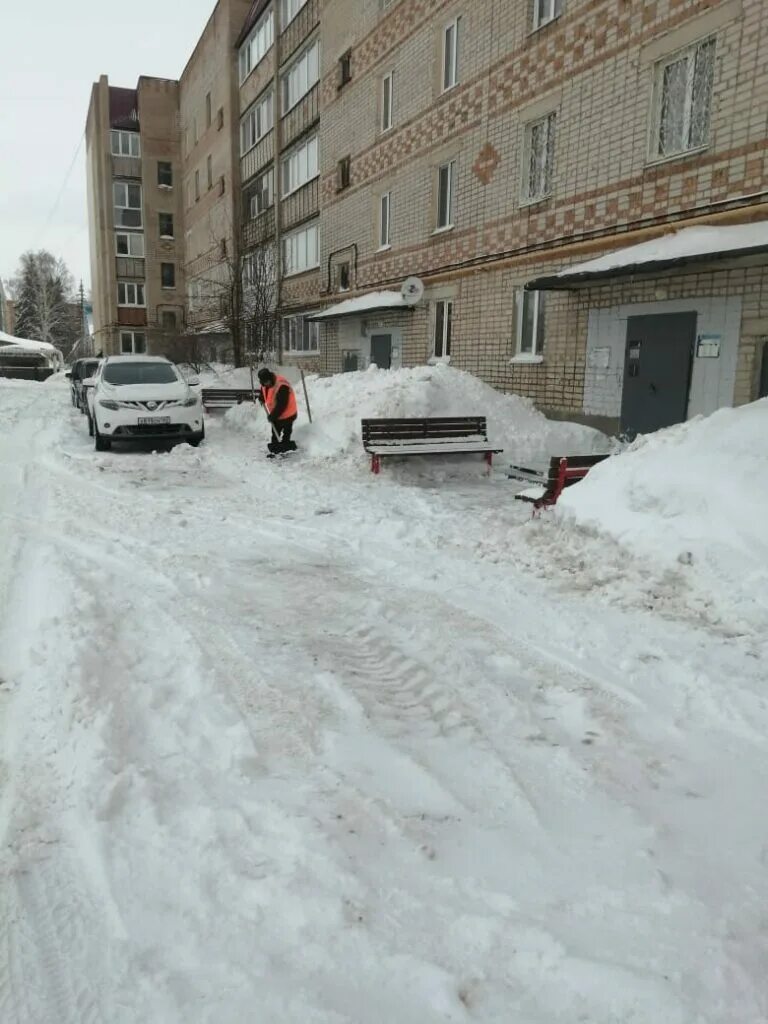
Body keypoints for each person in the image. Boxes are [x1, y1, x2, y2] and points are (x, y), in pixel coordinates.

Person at [257, 368, 298, 456]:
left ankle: (286, 446)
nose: (265, 384)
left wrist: (273, 416)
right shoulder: (265, 384)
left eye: (267, 382)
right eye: (264, 383)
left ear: (270, 378)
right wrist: (261, 397)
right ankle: (276, 448)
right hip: (276, 414)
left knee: (287, 431)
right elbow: (264, 391)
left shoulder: (281, 385)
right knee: (275, 431)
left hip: (288, 413)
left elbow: (282, 404)